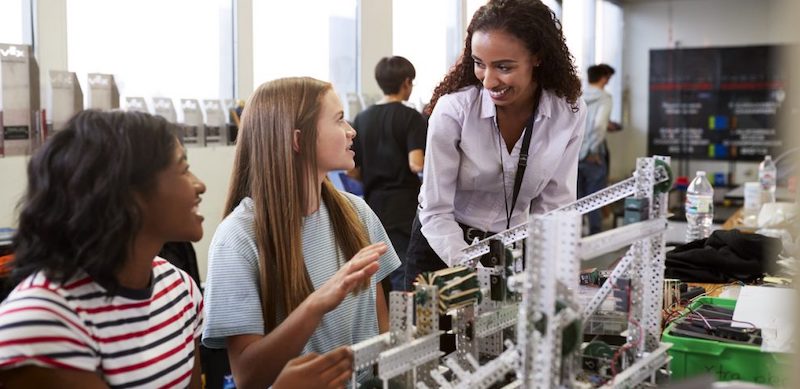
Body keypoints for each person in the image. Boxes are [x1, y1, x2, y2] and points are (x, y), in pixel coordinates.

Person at [0, 110, 354, 389]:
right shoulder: (41, 322)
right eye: (183, 169)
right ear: (128, 194)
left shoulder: (176, 288)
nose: (199, 185)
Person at [202, 77, 401, 388]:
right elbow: (248, 377)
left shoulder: (356, 212)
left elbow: (380, 327)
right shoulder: (237, 239)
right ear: (298, 140)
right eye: (338, 120)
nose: (352, 131)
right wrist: (317, 302)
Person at [405, 0, 586, 289]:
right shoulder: (454, 110)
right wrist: (471, 270)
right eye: (479, 63)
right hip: (443, 247)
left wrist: (552, 270)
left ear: (537, 57)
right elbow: (436, 210)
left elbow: (554, 206)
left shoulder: (567, 111)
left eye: (503, 67)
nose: (488, 81)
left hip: (512, 249)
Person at [350, 56, 427, 293]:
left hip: (373, 206)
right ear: (406, 82)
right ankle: (403, 327)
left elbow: (352, 170)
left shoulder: (361, 119)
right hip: (404, 207)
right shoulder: (411, 117)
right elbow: (416, 164)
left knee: (379, 271)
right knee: (403, 270)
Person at [578, 64, 615, 235]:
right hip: (592, 155)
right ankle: (595, 238)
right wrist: (593, 150)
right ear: (605, 77)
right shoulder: (604, 98)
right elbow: (599, 125)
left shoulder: (578, 95)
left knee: (575, 200)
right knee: (595, 199)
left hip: (574, 153)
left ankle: (574, 236)